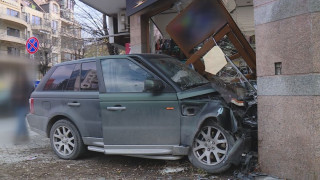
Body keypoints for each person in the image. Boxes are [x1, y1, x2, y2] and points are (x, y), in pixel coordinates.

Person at [11, 69, 34, 144]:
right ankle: (25, 136)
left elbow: (31, 95)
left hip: (25, 105)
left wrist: (21, 96)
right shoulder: (15, 84)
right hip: (17, 105)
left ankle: (17, 138)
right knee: (22, 121)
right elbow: (11, 93)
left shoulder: (29, 85)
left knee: (20, 121)